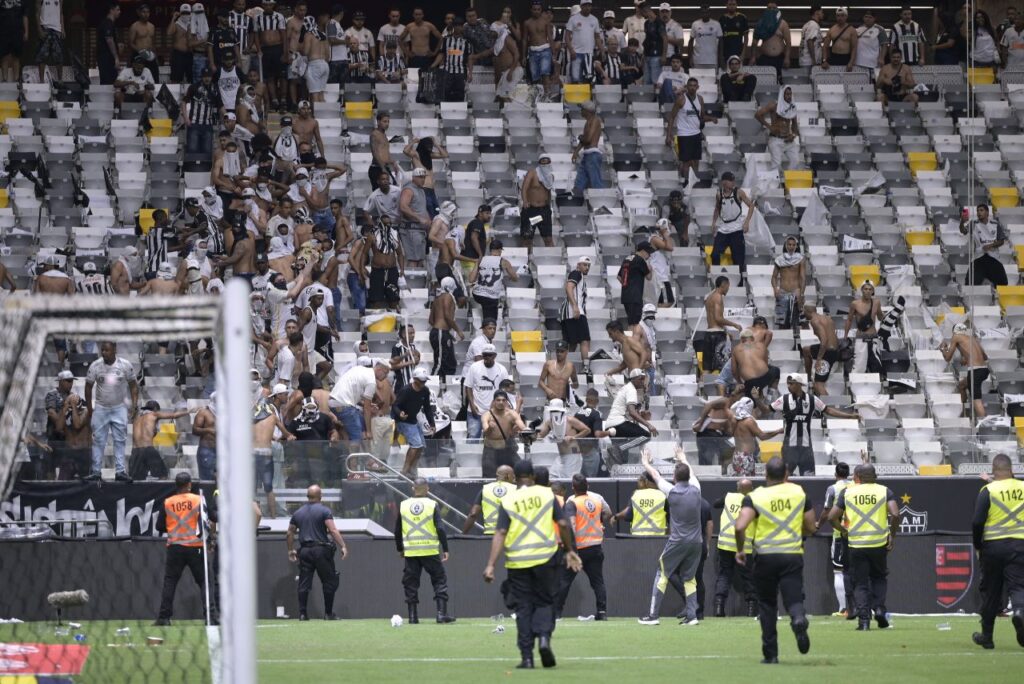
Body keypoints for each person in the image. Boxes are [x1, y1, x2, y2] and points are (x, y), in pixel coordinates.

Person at [483, 459, 582, 669]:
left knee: (523, 607)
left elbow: (500, 532)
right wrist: (570, 550)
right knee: (545, 602)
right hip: (545, 558)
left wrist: (491, 564)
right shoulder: (547, 495)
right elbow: (563, 523)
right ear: (534, 476)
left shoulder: (509, 500)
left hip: (517, 562)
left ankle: (527, 657)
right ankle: (544, 638)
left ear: (515, 478)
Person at [734, 456, 815, 663]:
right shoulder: (799, 492)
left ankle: (771, 655)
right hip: (792, 554)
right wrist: (799, 534)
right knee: (794, 598)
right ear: (786, 474)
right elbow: (811, 526)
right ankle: (798, 618)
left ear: (765, 474)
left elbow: (740, 526)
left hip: (766, 557)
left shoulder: (755, 496)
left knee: (768, 605)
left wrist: (741, 549)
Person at [637, 446, 703, 626]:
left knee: (662, 572)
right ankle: (692, 616)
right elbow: (691, 474)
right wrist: (683, 458)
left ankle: (653, 616)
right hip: (697, 542)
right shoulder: (697, 489)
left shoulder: (671, 491)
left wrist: (645, 462)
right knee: (690, 578)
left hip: (678, 541)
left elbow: (656, 476)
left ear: (674, 477)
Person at [828, 464, 898, 630]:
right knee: (879, 577)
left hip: (856, 544)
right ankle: (880, 609)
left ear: (857, 476)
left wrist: (843, 530)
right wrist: (892, 535)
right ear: (875, 476)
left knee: (860, 583)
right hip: (878, 543)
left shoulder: (848, 492)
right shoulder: (884, 490)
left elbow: (832, 516)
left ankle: (864, 621)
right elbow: (895, 514)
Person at [970, 453, 1024, 650]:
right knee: (1019, 586)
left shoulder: (988, 490)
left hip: (993, 547)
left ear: (993, 471)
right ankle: (1019, 613)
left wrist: (978, 544)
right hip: (1020, 545)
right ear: (1013, 471)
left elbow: (977, 521)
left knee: (991, 590)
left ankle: (987, 636)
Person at [155, 472, 216, 626]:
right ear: (189, 485)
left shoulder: (168, 502)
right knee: (205, 582)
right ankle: (210, 617)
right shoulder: (197, 499)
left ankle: (164, 617)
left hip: (175, 547)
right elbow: (212, 517)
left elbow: (159, 526)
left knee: (170, 582)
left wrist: (174, 526)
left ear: (176, 485)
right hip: (195, 547)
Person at [396, 478, 456, 625]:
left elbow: (397, 530)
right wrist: (445, 548)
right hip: (430, 550)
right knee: (439, 580)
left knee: (411, 583)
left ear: (412, 488)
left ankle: (412, 617)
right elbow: (440, 528)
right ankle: (441, 614)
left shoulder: (403, 505)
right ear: (427, 489)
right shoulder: (432, 504)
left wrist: (400, 548)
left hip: (411, 552)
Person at [770, 374, 857, 476]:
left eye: (791, 383)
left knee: (809, 478)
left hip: (806, 448)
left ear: (799, 384)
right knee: (784, 477)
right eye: (788, 383)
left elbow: (828, 410)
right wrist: (757, 399)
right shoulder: (783, 399)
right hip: (789, 447)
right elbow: (766, 409)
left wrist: (849, 416)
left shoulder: (812, 399)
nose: (788, 386)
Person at [286, 484, 348, 621]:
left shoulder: (298, 513)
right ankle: (328, 613)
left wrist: (290, 549)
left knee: (304, 583)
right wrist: (343, 545)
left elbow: (289, 532)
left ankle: (302, 614)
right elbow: (332, 530)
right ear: (320, 496)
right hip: (321, 550)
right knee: (329, 582)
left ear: (308, 496)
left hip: (305, 551)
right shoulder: (324, 511)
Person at [555, 474, 611, 620]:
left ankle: (556, 613)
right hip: (595, 547)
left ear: (573, 487)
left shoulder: (572, 502)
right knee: (598, 582)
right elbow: (607, 513)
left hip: (578, 548)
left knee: (564, 581)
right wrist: (599, 522)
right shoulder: (596, 500)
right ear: (588, 486)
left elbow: (572, 525)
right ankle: (602, 612)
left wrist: (569, 548)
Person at [85, 342, 139, 482]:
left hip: (119, 407)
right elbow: (88, 387)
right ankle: (96, 472)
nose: (104, 352)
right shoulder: (96, 365)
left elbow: (133, 386)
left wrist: (134, 405)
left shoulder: (125, 365)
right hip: (101, 408)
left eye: (107, 350)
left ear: (115, 349)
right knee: (98, 441)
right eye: (102, 350)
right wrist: (90, 408)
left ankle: (120, 471)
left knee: (120, 440)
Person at [713, 478, 756, 617]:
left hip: (725, 544)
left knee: (724, 575)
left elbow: (715, 504)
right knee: (748, 578)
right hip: (744, 546)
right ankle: (751, 609)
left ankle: (719, 608)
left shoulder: (729, 496)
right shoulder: (754, 502)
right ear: (751, 489)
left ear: (738, 488)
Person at [817, 462, 854, 617]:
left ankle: (844, 608)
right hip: (858, 534)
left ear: (835, 474)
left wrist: (819, 524)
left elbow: (827, 512)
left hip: (841, 534)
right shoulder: (855, 486)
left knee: (839, 572)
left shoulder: (833, 489)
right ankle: (862, 606)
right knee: (858, 571)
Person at [331, 359, 389, 454]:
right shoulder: (371, 382)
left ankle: (356, 461)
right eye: (385, 373)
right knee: (357, 437)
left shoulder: (359, 369)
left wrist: (365, 404)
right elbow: (367, 409)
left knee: (350, 433)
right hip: (344, 405)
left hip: (334, 401)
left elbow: (351, 394)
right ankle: (354, 466)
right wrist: (369, 431)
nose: (386, 376)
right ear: (379, 370)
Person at [667, 78, 715, 184]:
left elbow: (702, 116)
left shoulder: (700, 99)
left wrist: (711, 118)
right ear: (686, 87)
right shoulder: (681, 99)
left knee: (696, 160)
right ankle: (686, 182)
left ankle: (694, 181)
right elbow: (671, 117)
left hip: (696, 133)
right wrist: (668, 135)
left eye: (694, 85)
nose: (692, 87)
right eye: (690, 85)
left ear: (697, 87)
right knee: (686, 161)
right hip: (684, 134)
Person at [605, 369, 657, 461]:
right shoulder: (631, 390)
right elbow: (632, 413)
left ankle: (618, 449)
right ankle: (619, 448)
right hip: (619, 423)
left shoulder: (626, 388)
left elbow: (631, 412)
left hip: (611, 425)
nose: (642, 381)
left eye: (643, 379)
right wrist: (648, 425)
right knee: (645, 435)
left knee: (623, 460)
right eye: (640, 379)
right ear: (634, 379)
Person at [941, 322, 991, 420]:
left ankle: (985, 425)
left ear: (954, 331)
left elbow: (947, 358)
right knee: (962, 385)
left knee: (976, 400)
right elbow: (984, 357)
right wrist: (967, 358)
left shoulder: (956, 336)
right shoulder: (972, 338)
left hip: (975, 371)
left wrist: (943, 349)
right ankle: (962, 412)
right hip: (984, 370)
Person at [129, 401, 190, 481]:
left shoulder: (136, 419)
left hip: (135, 451)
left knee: (136, 479)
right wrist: (189, 411)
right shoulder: (154, 414)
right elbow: (174, 415)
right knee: (163, 475)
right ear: (155, 409)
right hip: (148, 449)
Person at [710, 172, 754, 280]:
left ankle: (739, 286)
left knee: (738, 261)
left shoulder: (739, 192)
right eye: (729, 180)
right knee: (714, 255)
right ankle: (717, 279)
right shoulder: (719, 194)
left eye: (731, 181)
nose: (730, 183)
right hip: (723, 230)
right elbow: (717, 208)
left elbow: (751, 205)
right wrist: (714, 222)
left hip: (737, 230)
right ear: (723, 181)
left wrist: (747, 222)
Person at [392, 367, 435, 475]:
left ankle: (412, 469)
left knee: (420, 446)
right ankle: (404, 471)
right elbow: (395, 405)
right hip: (403, 421)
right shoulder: (406, 390)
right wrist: (400, 413)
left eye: (425, 381)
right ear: (415, 379)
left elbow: (427, 408)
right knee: (416, 444)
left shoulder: (425, 391)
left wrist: (432, 423)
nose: (423, 383)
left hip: (413, 420)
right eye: (421, 381)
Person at [464, 344, 510, 440]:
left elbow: (505, 391)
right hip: (476, 411)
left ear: (495, 356)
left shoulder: (502, 370)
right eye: (485, 355)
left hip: (494, 412)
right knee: (473, 438)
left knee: (495, 439)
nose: (487, 357)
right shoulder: (474, 367)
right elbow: (468, 387)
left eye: (490, 355)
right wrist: (472, 405)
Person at [469, 239, 519, 322]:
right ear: (500, 250)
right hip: (490, 297)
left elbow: (471, 279)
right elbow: (515, 278)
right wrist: (512, 277)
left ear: (490, 250)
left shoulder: (481, 259)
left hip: (477, 294)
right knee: (491, 321)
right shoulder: (504, 262)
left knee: (486, 309)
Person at [731, 396, 782, 476]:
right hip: (745, 456)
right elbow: (762, 436)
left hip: (736, 455)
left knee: (740, 482)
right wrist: (778, 431)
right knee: (747, 482)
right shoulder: (749, 421)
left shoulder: (735, 421)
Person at [960, 203, 1008, 288]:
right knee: (970, 282)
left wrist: (990, 245)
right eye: (977, 211)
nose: (979, 212)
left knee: (1002, 283)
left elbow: (1001, 241)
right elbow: (963, 231)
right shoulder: (973, 223)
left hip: (993, 257)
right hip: (979, 257)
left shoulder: (995, 224)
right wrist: (962, 221)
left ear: (987, 213)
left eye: (981, 210)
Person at [702, 276, 743, 373]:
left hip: (708, 334)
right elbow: (718, 318)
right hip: (717, 336)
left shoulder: (709, 297)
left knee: (706, 368)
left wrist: (726, 331)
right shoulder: (718, 297)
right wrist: (734, 325)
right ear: (723, 285)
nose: (728, 289)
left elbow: (714, 320)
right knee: (719, 367)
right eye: (728, 286)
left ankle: (705, 387)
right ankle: (718, 388)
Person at [481, 391, 526, 477]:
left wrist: (525, 430)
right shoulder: (487, 415)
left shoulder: (512, 414)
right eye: (498, 400)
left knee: (520, 471)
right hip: (490, 450)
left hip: (506, 449)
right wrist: (490, 428)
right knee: (489, 477)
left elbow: (523, 427)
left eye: (503, 400)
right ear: (494, 401)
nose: (501, 402)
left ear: (506, 402)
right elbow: (486, 432)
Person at [559, 256, 592, 370]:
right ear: (578, 265)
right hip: (574, 312)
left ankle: (565, 366)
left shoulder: (580, 276)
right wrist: (575, 306)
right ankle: (586, 367)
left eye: (588, 265)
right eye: (584, 264)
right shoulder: (576, 273)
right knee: (584, 340)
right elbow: (569, 287)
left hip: (568, 314)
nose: (587, 267)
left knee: (571, 343)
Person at [462, 464, 515, 534]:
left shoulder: (485, 489)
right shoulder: (516, 489)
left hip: (489, 536)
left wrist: (463, 534)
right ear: (507, 476)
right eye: (513, 476)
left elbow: (473, 513)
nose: (514, 478)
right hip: (510, 535)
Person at [432, 17, 474, 103]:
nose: (458, 27)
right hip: (447, 71)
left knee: (460, 94)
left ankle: (459, 113)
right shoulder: (446, 40)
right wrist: (433, 66)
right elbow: (441, 54)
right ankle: (446, 113)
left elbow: (470, 58)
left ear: (462, 27)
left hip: (461, 72)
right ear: (453, 26)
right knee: (446, 93)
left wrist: (470, 73)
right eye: (456, 25)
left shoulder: (467, 42)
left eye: (460, 26)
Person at [844, 280, 882, 374]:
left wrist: (884, 314)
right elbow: (849, 320)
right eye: (865, 289)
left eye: (870, 289)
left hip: (873, 337)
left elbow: (880, 317)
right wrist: (845, 335)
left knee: (875, 366)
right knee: (859, 366)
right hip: (861, 337)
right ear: (862, 290)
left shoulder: (876, 303)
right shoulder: (855, 304)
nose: (868, 291)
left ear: (873, 291)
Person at [802, 302, 840, 396]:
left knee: (818, 385)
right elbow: (834, 336)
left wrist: (819, 359)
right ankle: (808, 377)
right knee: (806, 350)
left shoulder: (814, 321)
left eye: (803, 311)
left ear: (807, 311)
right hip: (834, 349)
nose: (803, 314)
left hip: (827, 353)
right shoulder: (827, 318)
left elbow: (824, 340)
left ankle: (829, 408)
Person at [613, 471, 667, 536]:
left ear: (646, 481)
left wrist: (615, 517)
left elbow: (628, 515)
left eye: (641, 480)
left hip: (637, 538)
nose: (639, 482)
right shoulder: (663, 495)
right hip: (659, 538)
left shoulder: (636, 494)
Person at [520, 154, 555, 248]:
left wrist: (549, 207)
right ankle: (526, 261)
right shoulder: (532, 173)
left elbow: (549, 192)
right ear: (539, 163)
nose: (545, 164)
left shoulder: (550, 177)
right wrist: (525, 201)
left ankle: (551, 261)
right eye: (542, 162)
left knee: (548, 239)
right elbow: (524, 188)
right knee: (527, 239)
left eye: (547, 162)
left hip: (544, 211)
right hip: (531, 210)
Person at [565, 0, 603, 83]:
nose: (587, 7)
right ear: (581, 6)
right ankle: (576, 95)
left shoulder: (594, 20)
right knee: (575, 78)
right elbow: (567, 36)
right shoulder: (573, 19)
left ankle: (588, 96)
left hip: (589, 53)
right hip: (576, 53)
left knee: (589, 78)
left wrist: (602, 50)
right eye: (585, 5)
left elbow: (597, 37)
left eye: (589, 5)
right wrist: (571, 50)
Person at [572, 101, 605, 196]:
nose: (580, 111)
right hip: (587, 155)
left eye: (582, 109)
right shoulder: (588, 122)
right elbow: (584, 140)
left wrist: (581, 137)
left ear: (587, 111)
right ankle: (575, 202)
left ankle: (601, 204)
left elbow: (588, 139)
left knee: (596, 182)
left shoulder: (595, 120)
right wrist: (576, 152)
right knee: (579, 183)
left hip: (593, 155)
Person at [772, 235, 805, 329]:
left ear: (796, 246)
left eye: (793, 245)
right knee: (782, 322)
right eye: (789, 244)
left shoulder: (800, 259)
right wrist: (775, 289)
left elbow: (803, 277)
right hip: (782, 291)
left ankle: (795, 343)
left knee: (796, 321)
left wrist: (801, 293)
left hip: (796, 292)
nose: (791, 247)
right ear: (786, 245)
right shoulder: (779, 259)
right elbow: (774, 277)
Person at [750, 1, 790, 77]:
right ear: (766, 9)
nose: (771, 10)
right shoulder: (760, 24)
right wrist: (753, 57)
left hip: (779, 58)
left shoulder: (783, 23)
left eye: (774, 8)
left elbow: (788, 42)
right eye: (769, 8)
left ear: (777, 10)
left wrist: (787, 58)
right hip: (764, 58)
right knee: (764, 80)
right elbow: (754, 42)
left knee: (779, 81)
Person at [523, 1, 555, 95]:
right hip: (532, 51)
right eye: (534, 9)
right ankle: (537, 97)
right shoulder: (527, 23)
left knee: (545, 73)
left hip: (545, 50)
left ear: (541, 10)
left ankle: (547, 95)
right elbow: (524, 40)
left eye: (538, 9)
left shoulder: (546, 21)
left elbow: (550, 37)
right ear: (531, 10)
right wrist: (524, 56)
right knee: (535, 76)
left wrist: (554, 54)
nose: (536, 11)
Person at [619, 242, 652, 326]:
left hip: (626, 295)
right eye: (649, 252)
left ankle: (632, 338)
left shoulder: (627, 259)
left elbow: (619, 277)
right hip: (635, 296)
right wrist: (649, 268)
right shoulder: (640, 260)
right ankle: (634, 339)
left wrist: (627, 285)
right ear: (644, 251)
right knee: (636, 324)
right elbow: (649, 277)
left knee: (631, 321)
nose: (649, 255)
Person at [688, 4, 722, 69]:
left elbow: (721, 42)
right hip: (698, 60)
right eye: (703, 12)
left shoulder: (716, 24)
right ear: (700, 13)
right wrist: (690, 58)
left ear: (710, 13)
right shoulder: (695, 24)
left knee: (712, 79)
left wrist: (720, 58)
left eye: (707, 12)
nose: (705, 13)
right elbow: (691, 41)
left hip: (712, 60)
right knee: (697, 78)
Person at [96, 2, 122, 85]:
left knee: (113, 81)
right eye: (117, 10)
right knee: (107, 82)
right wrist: (116, 57)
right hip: (106, 59)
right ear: (111, 10)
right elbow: (109, 40)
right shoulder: (107, 23)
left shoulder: (110, 24)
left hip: (108, 58)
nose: (119, 12)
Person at [192, 396, 217, 480]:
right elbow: (194, 430)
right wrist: (208, 430)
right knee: (206, 479)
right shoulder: (204, 412)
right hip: (207, 449)